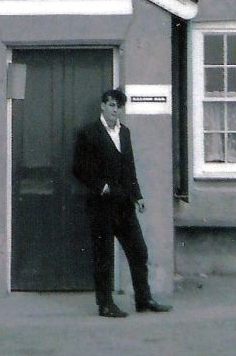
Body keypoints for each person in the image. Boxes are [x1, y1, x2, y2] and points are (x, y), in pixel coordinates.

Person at [72, 87, 172, 318]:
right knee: (104, 256)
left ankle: (143, 300)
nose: (115, 110)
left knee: (139, 251)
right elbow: (78, 168)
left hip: (124, 205)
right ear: (102, 106)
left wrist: (138, 196)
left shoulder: (124, 132)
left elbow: (129, 168)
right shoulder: (89, 133)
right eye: (111, 105)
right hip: (101, 205)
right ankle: (105, 304)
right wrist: (101, 186)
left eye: (118, 106)